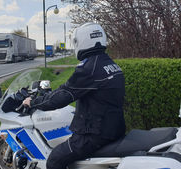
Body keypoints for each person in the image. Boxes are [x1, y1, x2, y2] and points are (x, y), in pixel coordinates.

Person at [22, 22, 126, 169]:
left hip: (95, 134)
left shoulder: (89, 68)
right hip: (114, 128)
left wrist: (32, 102)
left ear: (82, 41)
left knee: (54, 160)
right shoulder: (109, 63)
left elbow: (63, 95)